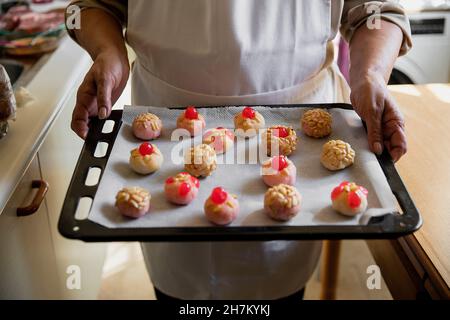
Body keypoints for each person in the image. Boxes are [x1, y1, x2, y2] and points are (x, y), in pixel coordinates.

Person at [66, 0, 412, 300]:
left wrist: (371, 74)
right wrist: (107, 52)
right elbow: (86, 10)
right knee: (182, 289)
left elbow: (376, 12)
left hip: (299, 134)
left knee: (278, 287)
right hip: (167, 132)